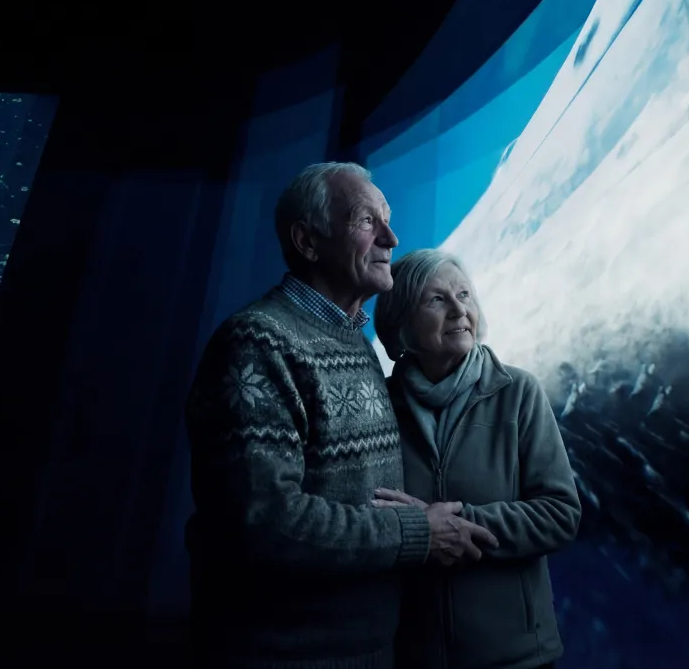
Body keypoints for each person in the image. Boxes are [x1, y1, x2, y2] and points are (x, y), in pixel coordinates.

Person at [183, 164, 498, 669]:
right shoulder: (256, 343)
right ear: (308, 242)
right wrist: (418, 534)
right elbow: (264, 522)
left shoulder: (356, 341)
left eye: (388, 220)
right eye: (365, 221)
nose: (391, 238)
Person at [371, 249, 582, 669]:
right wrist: (415, 532)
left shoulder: (518, 392)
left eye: (464, 294)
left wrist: (458, 525)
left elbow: (561, 514)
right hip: (414, 658)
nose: (459, 309)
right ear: (402, 324)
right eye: (436, 300)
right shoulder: (380, 406)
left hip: (518, 658)